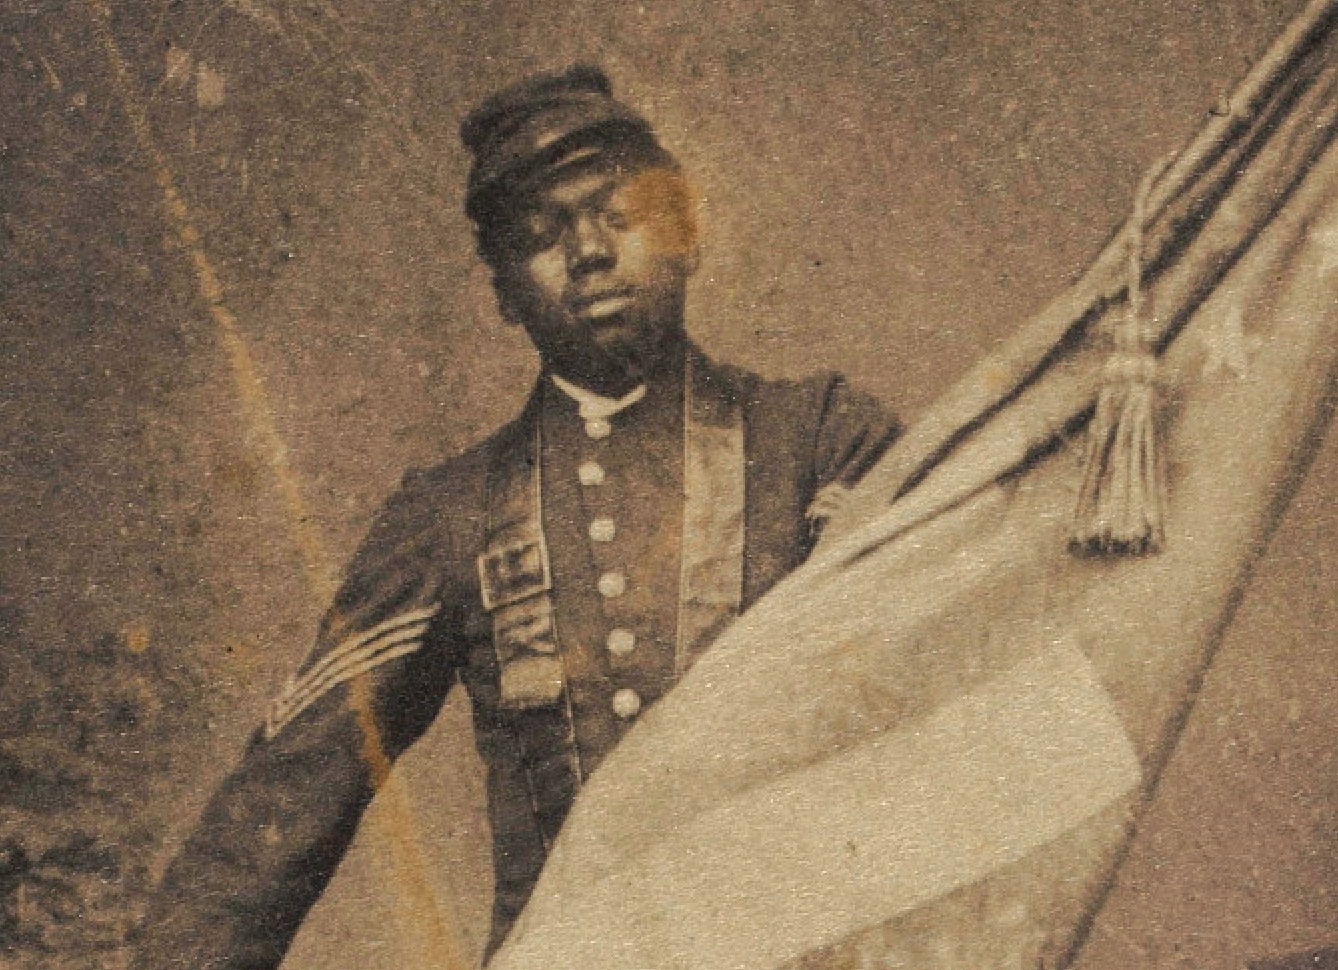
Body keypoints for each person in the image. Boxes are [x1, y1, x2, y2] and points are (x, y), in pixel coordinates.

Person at [132, 64, 901, 970]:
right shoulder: (450, 514)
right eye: (540, 234)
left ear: (686, 228)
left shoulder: (820, 439)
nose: (587, 253)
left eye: (619, 216)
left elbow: (950, 660)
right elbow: (278, 810)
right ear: (501, 290)